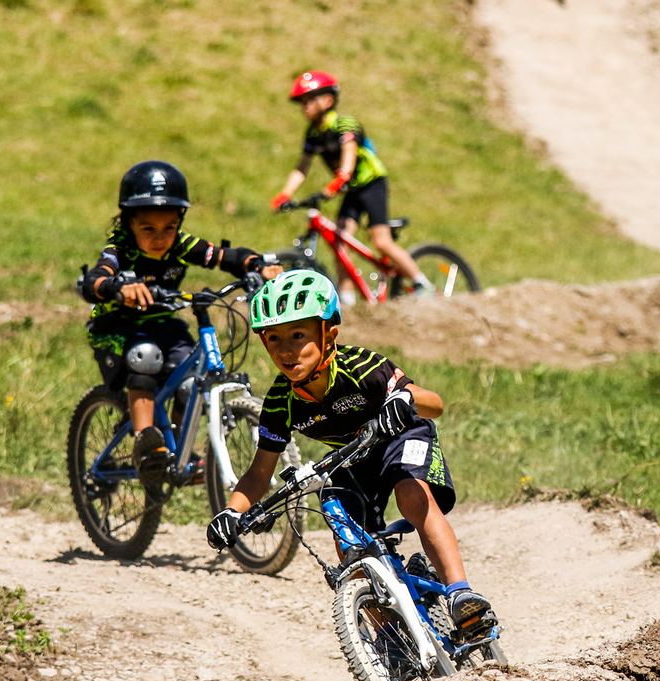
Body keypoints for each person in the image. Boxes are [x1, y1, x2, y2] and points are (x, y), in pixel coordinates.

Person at [205, 270, 497, 637]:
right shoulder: (280, 401)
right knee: (345, 534)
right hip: (351, 458)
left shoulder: (363, 367)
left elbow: (434, 404)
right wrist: (232, 512)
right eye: (273, 338)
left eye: (299, 335)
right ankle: (388, 637)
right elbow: (259, 473)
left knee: (412, 494)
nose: (285, 349)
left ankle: (460, 595)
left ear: (329, 334)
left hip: (401, 436)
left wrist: (404, 398)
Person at [77, 160, 275, 496]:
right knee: (145, 358)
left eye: (169, 228)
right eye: (148, 229)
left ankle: (178, 453)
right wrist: (116, 288)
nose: (160, 238)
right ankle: (147, 446)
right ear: (128, 223)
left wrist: (255, 264)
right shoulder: (120, 250)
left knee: (192, 380)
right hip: (118, 328)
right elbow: (93, 280)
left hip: (163, 324)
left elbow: (221, 255)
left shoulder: (181, 245)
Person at [269, 71, 433, 307]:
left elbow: (349, 151)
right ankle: (347, 302)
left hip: (371, 183)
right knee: (339, 243)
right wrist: (285, 194)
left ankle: (421, 283)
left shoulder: (345, 123)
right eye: (301, 103)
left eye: (308, 101)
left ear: (326, 100)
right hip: (351, 190)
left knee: (381, 241)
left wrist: (342, 177)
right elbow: (302, 168)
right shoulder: (313, 134)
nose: (303, 107)